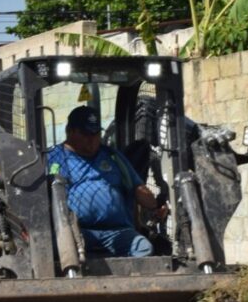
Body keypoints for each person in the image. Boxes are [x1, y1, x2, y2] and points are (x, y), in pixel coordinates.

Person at [46, 106, 164, 258]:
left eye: (96, 133)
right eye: (86, 134)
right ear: (70, 131)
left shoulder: (112, 156)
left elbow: (137, 187)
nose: (93, 139)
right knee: (57, 251)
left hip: (117, 232)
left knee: (144, 249)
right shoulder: (54, 158)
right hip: (75, 231)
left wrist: (154, 205)